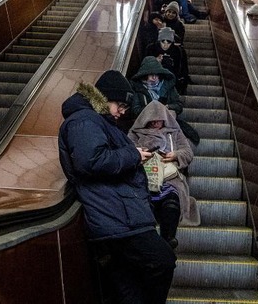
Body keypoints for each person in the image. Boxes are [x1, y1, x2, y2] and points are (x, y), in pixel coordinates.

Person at [58, 70, 176, 304]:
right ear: (104, 97)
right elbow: (90, 161)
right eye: (120, 104)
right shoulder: (84, 120)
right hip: (116, 216)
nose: (122, 111)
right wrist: (133, 154)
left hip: (118, 214)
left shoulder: (94, 120)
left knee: (127, 290)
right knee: (162, 261)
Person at [128, 100, 200, 249]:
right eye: (152, 122)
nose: (155, 124)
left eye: (158, 121)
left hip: (169, 177)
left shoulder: (174, 132)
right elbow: (127, 152)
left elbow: (188, 152)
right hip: (145, 176)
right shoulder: (135, 133)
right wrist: (140, 154)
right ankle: (148, 240)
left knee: (172, 200)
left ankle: (168, 237)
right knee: (144, 202)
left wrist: (175, 155)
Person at [145, 27, 190, 95]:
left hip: (171, 80)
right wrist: (154, 61)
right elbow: (144, 67)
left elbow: (182, 68)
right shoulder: (151, 49)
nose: (165, 45)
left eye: (168, 42)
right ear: (159, 41)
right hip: (153, 80)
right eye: (163, 41)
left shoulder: (177, 51)